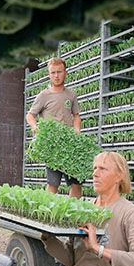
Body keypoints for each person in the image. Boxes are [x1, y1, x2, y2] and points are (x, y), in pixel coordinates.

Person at [26, 56, 83, 198]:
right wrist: (35, 128)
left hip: (70, 145)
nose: (56, 76)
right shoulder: (43, 95)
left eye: (59, 72)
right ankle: (50, 214)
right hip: (52, 147)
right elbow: (30, 115)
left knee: (76, 183)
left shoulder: (71, 95)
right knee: (53, 183)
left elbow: (76, 115)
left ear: (65, 72)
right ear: (49, 74)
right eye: (53, 73)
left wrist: (77, 130)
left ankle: (73, 215)